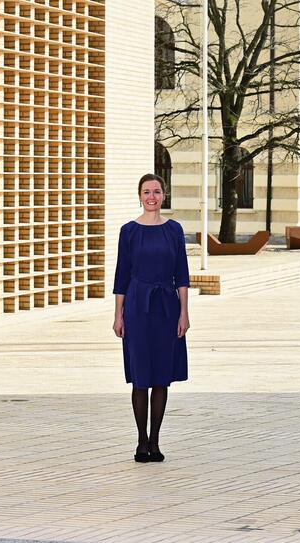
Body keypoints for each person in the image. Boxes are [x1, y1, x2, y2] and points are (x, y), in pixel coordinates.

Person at [113, 174, 190, 463]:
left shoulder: (174, 230)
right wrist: (118, 315)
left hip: (166, 309)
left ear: (164, 195)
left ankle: (156, 442)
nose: (152, 196)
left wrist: (184, 312)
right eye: (146, 191)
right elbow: (121, 275)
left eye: (157, 191)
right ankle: (140, 441)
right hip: (136, 307)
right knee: (141, 377)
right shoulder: (129, 231)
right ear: (139, 195)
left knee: (162, 377)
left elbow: (182, 275)